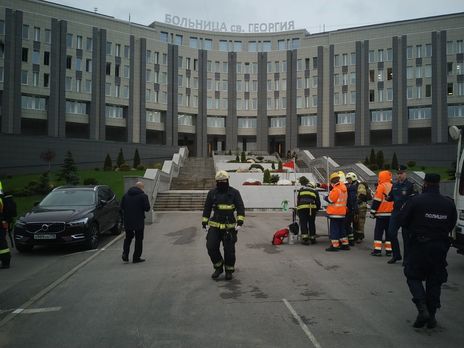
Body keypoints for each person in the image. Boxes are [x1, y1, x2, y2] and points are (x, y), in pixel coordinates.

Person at [398, 174, 456, 329]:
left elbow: (403, 220)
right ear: (439, 183)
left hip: (419, 245)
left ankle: (422, 308)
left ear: (424, 184)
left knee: (413, 275)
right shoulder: (448, 203)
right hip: (440, 246)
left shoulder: (415, 200)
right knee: (434, 279)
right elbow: (451, 223)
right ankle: (432, 316)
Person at [202, 170, 245, 281]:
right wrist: (204, 222)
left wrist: (240, 222)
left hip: (229, 227)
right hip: (215, 226)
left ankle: (229, 270)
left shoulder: (234, 193)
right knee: (211, 247)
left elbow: (240, 207)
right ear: (216, 181)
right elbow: (207, 208)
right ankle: (218, 267)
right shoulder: (212, 193)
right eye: (219, 181)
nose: (222, 182)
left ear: (227, 180)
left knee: (229, 251)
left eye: (224, 180)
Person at [385, 165, 416, 264]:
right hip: (396, 212)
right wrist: (388, 198)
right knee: (391, 233)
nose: (399, 175)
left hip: (407, 214)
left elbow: (415, 199)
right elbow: (391, 197)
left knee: (406, 237)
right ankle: (396, 255)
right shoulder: (394, 185)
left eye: (401, 173)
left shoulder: (410, 185)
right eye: (398, 174)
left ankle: (407, 259)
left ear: (405, 174)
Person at [120, 181, 151, 263]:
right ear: (141, 188)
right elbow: (147, 208)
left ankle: (125, 254)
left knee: (128, 238)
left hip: (128, 221)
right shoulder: (143, 196)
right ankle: (136, 257)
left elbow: (122, 207)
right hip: (139, 221)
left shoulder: (125, 196)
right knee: (139, 239)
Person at [370, 170, 394, 256]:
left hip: (381, 214)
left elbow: (377, 200)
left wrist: (372, 212)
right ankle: (389, 250)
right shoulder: (392, 186)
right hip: (391, 214)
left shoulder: (381, 186)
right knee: (388, 232)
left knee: (378, 232)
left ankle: (377, 250)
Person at [324, 172, 349, 251]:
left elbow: (331, 200)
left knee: (334, 229)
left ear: (332, 181)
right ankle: (345, 244)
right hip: (342, 212)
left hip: (335, 213)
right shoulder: (343, 187)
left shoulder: (336, 189)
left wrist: (326, 198)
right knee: (342, 228)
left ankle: (335, 246)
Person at [344, 172, 358, 246]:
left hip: (350, 208)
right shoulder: (351, 186)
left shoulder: (352, 187)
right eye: (347, 179)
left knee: (347, 224)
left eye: (349, 179)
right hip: (351, 208)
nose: (348, 180)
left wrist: (351, 207)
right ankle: (351, 239)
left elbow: (352, 199)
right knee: (348, 224)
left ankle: (351, 240)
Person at [0, 181, 11, 269]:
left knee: (2, 244)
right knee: (2, 243)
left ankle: (5, 261)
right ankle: (5, 261)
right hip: (2, 223)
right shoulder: (2, 198)